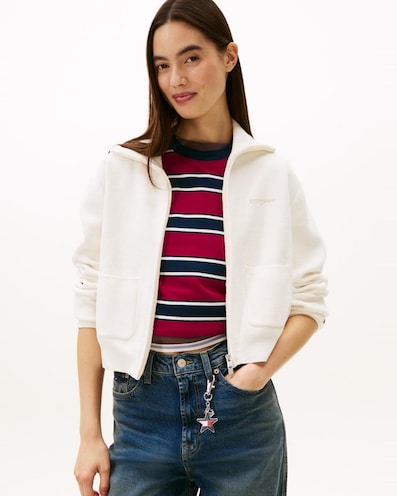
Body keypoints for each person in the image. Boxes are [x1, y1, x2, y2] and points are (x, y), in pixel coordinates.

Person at [72, 0, 328, 495]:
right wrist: (89, 434)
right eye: (162, 65)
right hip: (140, 410)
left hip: (238, 412)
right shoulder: (123, 171)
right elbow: (90, 301)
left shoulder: (270, 173)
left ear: (229, 57)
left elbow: (310, 297)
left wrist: (257, 374)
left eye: (191, 58)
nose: (176, 80)